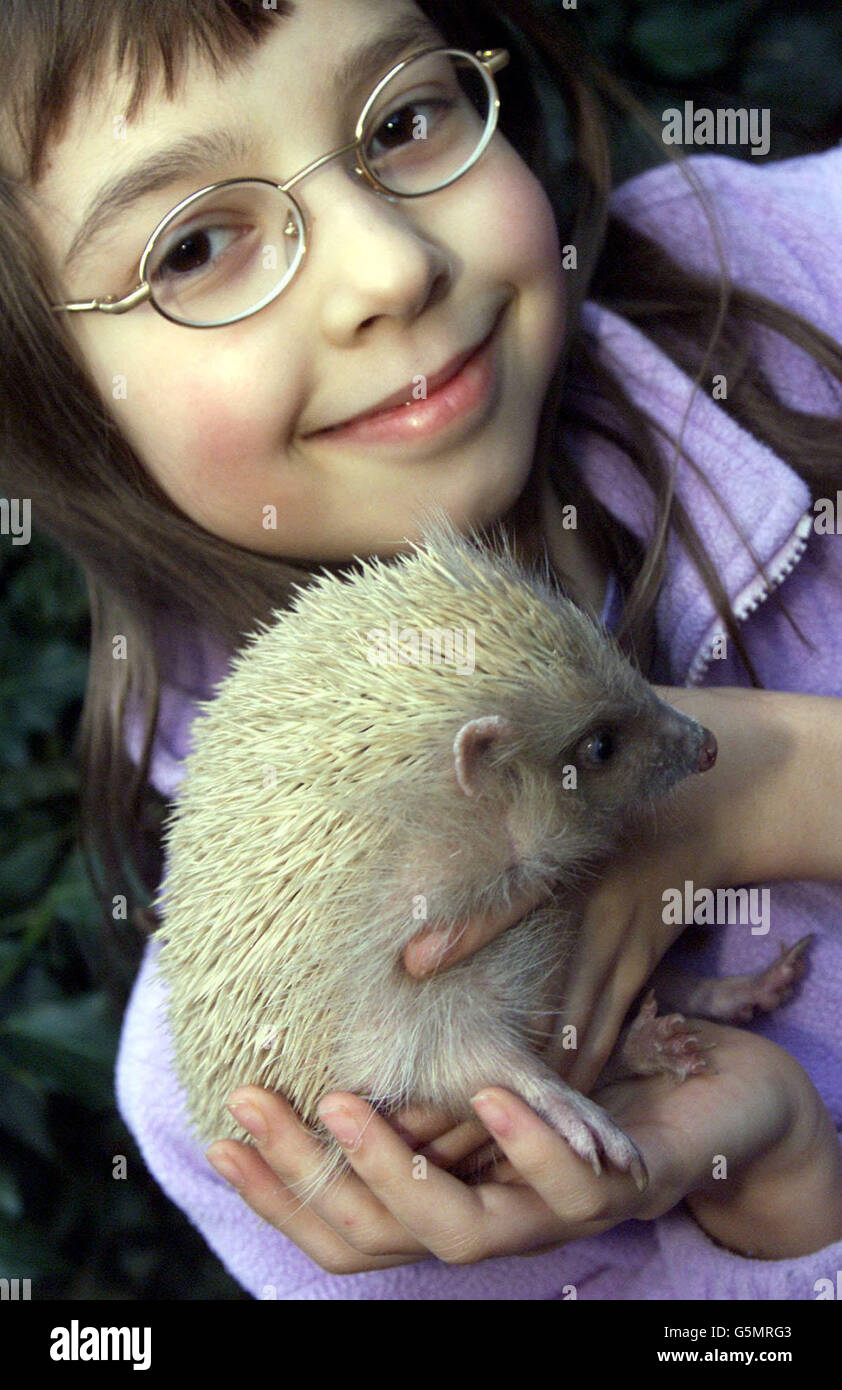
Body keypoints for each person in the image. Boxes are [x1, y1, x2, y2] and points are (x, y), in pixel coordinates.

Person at [2, 0, 842, 1298]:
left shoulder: (801, 271)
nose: (385, 268)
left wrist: (777, 784)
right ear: (58, 407)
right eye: (198, 246)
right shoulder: (246, 1103)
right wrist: (777, 1181)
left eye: (400, 119)